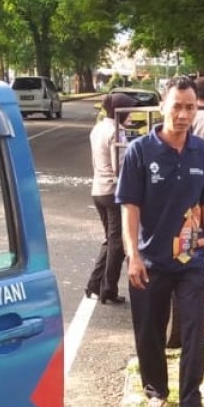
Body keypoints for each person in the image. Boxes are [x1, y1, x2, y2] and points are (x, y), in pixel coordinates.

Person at [116, 76, 204, 407]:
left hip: (191, 256)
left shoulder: (203, 153)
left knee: (194, 326)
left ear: (197, 109)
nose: (183, 114)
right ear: (163, 106)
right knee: (150, 327)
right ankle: (155, 390)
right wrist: (133, 255)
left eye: (190, 107)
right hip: (150, 259)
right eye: (177, 106)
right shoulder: (140, 152)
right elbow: (129, 207)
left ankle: (191, 400)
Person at [86, 91, 137, 304]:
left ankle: (94, 284)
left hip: (98, 189)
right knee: (118, 243)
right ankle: (109, 289)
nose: (132, 116)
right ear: (120, 112)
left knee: (110, 240)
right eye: (130, 112)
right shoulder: (117, 132)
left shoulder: (98, 128)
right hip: (113, 192)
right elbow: (121, 166)